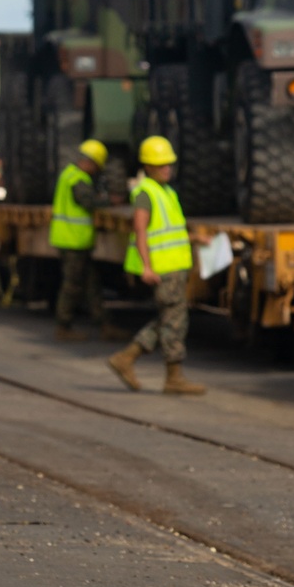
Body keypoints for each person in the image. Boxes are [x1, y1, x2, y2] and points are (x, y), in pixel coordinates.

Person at [108, 135, 205, 396]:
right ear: (148, 167)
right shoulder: (145, 194)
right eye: (161, 164)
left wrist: (195, 238)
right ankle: (171, 377)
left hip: (174, 266)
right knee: (174, 320)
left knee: (169, 319)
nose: (167, 168)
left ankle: (127, 358)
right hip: (163, 269)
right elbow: (140, 231)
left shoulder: (167, 192)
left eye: (169, 164)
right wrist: (146, 267)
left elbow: (169, 230)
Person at [48, 139, 124, 342]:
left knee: (92, 284)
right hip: (72, 241)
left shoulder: (70, 175)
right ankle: (63, 326)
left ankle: (104, 324)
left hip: (76, 241)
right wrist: (111, 202)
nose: (97, 171)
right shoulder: (78, 179)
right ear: (91, 162)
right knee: (72, 285)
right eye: (97, 166)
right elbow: (89, 202)